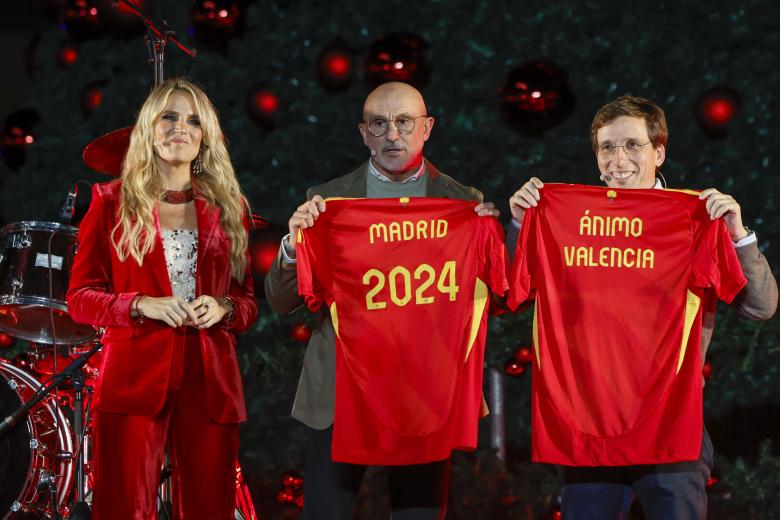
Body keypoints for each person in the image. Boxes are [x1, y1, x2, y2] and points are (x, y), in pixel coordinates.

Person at [508, 95, 778, 520]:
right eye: (607, 147)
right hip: (589, 430)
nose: (618, 159)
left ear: (659, 152)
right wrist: (522, 226)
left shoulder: (695, 217)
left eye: (632, 145)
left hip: (670, 429)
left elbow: (760, 308)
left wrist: (738, 234)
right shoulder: (566, 221)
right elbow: (512, 293)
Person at [265, 81, 498, 519]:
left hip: (424, 393)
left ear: (426, 127)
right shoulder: (327, 201)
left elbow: (494, 301)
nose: (393, 134)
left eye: (405, 121)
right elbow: (280, 302)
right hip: (339, 393)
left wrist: (492, 241)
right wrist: (294, 247)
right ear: (364, 133)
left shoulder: (464, 203)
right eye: (380, 123)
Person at [67, 77, 258, 519]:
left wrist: (225, 308)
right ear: (148, 128)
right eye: (169, 117)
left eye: (193, 120)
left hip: (211, 379)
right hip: (134, 376)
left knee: (210, 508)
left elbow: (247, 303)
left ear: (204, 136)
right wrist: (139, 304)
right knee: (122, 508)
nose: (180, 128)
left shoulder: (230, 209)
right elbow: (79, 298)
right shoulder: (110, 202)